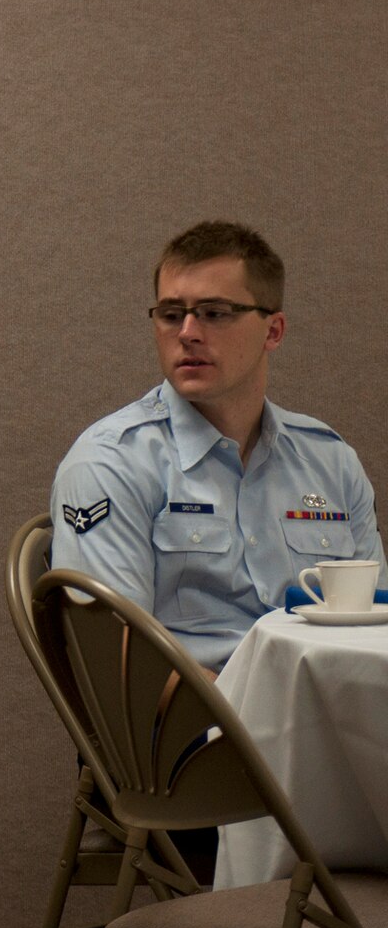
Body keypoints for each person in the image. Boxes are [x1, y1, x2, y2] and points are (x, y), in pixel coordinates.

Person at [50, 221, 381, 672]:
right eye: (170, 314)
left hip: (331, 717)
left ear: (274, 331)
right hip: (198, 731)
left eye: (214, 312)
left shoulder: (330, 461)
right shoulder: (112, 462)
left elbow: (375, 631)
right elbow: (116, 665)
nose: (187, 332)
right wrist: (257, 726)